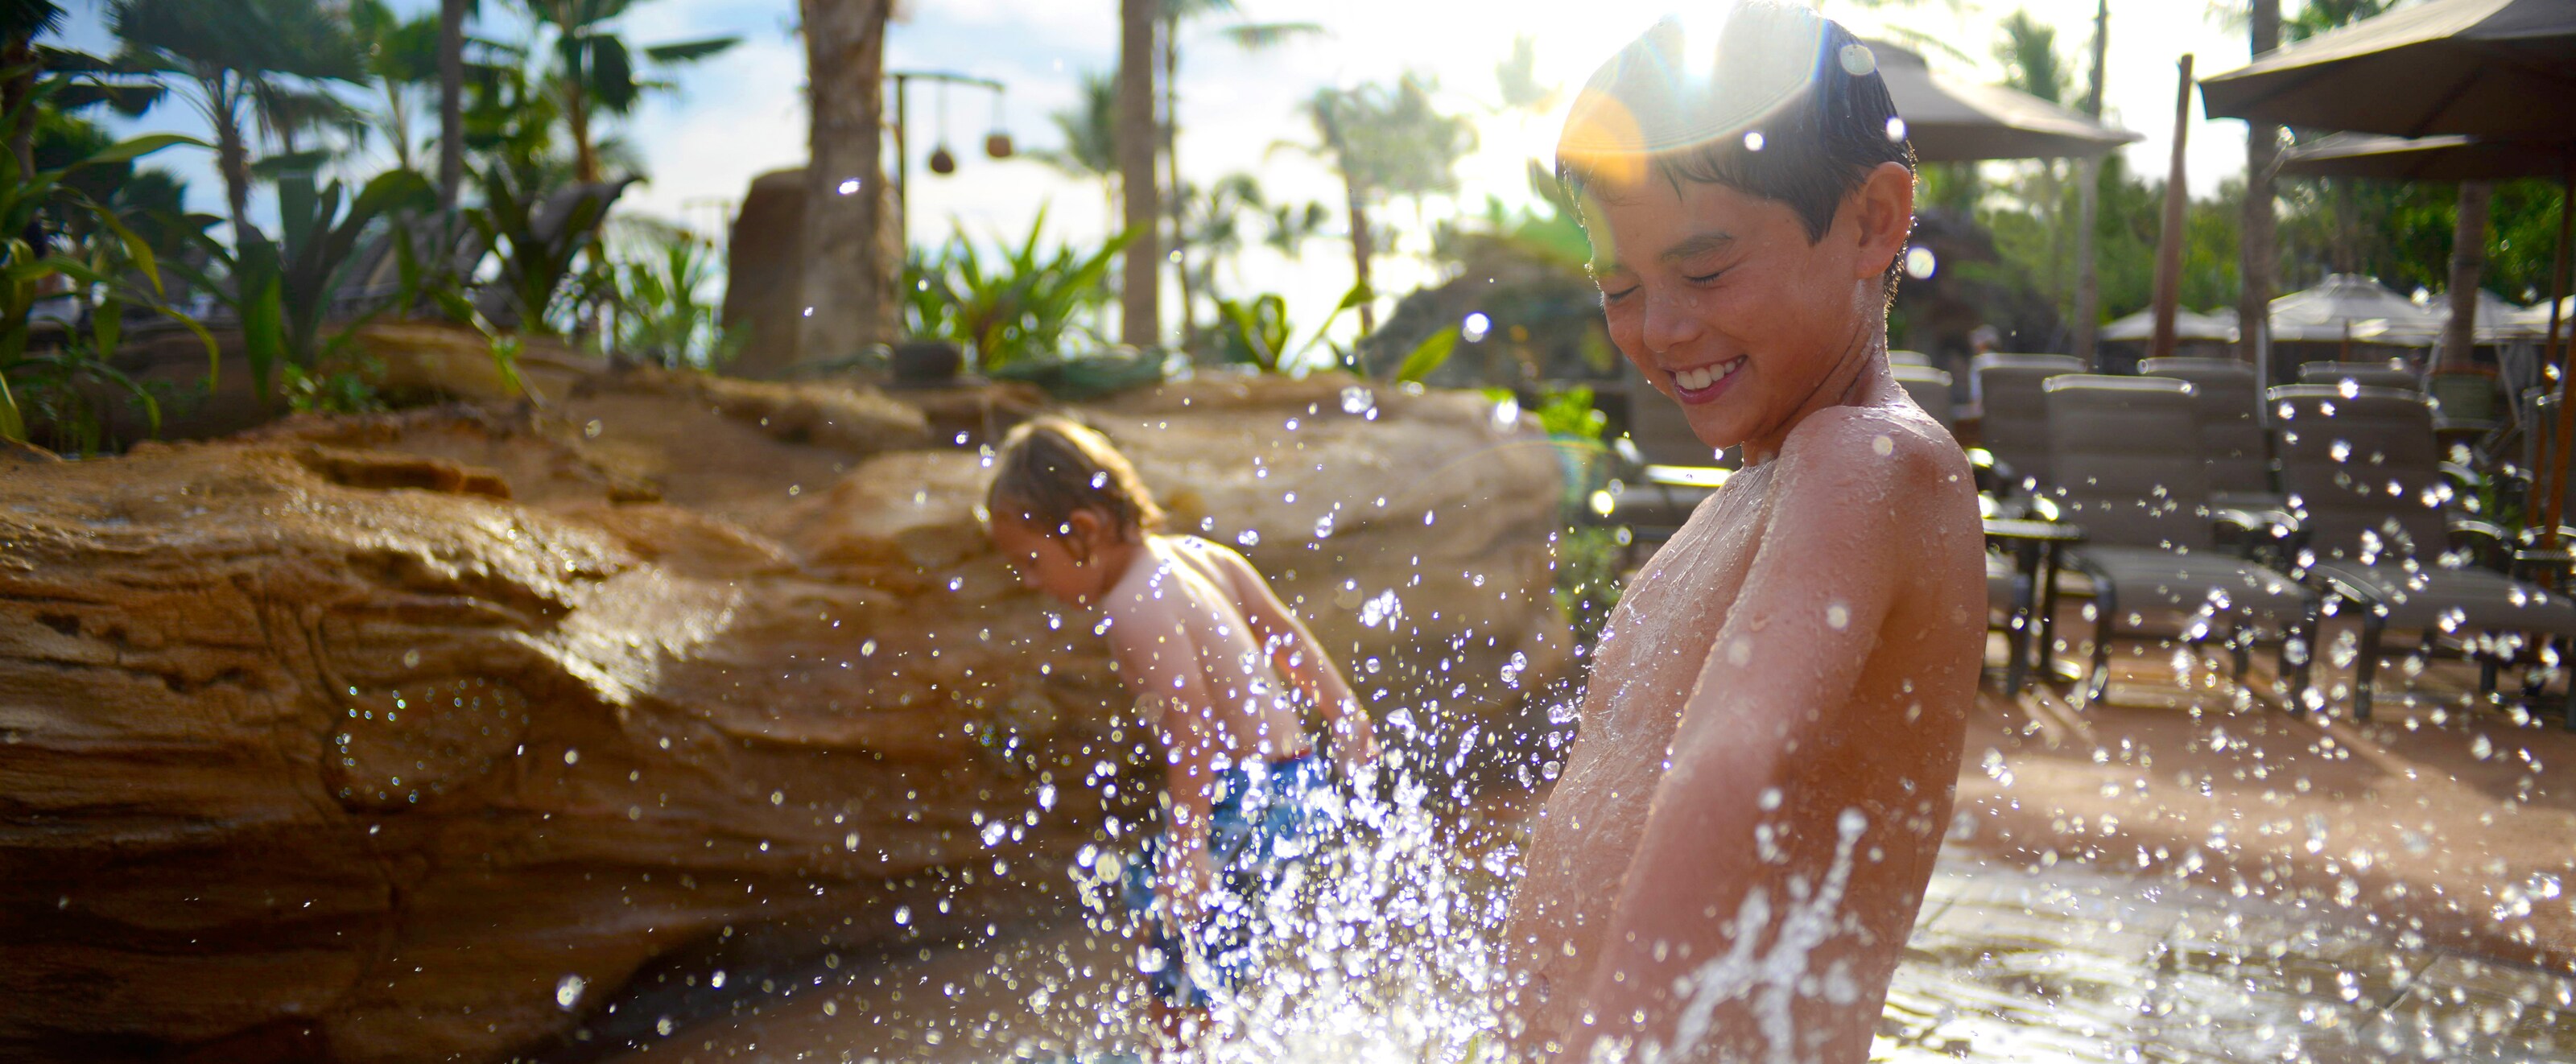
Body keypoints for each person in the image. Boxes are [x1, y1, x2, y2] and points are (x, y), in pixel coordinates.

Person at [1499, 5, 1984, 1062]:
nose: (1661, 328)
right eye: (1619, 287)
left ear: (1872, 222)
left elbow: (1731, 760)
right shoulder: (1756, 492)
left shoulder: (1867, 462)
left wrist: (1611, 1039)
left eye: (1705, 271)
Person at [981, 416, 1381, 1054]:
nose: (1031, 581)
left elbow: (1194, 732)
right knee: (1201, 943)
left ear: (1083, 530)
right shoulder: (1200, 555)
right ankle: (1199, 1046)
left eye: (1032, 561)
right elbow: (1285, 636)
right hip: (1293, 783)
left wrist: (1187, 850)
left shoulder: (1130, 608)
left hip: (1240, 796)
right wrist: (1347, 718)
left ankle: (1181, 1053)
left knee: (1179, 937)